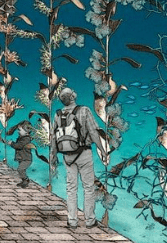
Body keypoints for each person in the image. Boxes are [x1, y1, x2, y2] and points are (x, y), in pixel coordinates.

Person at [50, 87, 107, 229]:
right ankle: (89, 220)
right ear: (73, 96)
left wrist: (53, 156)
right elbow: (93, 133)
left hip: (67, 157)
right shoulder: (84, 110)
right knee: (88, 187)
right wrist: (102, 150)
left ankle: (72, 221)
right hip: (84, 154)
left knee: (71, 188)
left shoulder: (57, 114)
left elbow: (53, 138)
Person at [7, 120, 33, 188]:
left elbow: (19, 146)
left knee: (20, 169)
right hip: (22, 158)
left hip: (26, 159)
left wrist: (12, 143)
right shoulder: (22, 138)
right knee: (22, 170)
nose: (18, 131)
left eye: (20, 130)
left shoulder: (26, 139)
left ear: (26, 132)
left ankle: (26, 180)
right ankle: (24, 181)